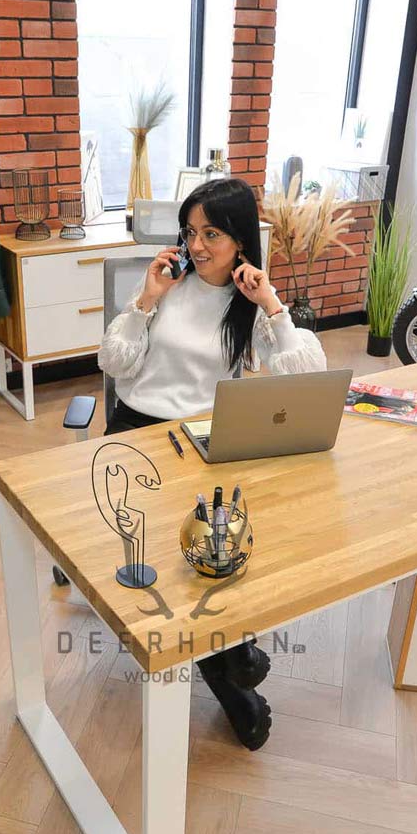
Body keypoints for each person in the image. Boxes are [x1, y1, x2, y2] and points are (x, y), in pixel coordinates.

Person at [97, 177, 328, 750]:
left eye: (212, 234)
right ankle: (231, 676)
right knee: (188, 562)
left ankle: (229, 661)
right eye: (191, 232)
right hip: (137, 435)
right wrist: (146, 299)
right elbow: (114, 364)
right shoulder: (167, 287)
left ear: (240, 242)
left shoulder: (248, 306)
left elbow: (310, 376)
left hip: (204, 442)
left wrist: (271, 305)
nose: (197, 246)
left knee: (218, 551)